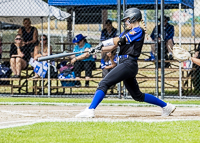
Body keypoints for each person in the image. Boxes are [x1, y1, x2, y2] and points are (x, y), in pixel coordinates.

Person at [76, 7, 176, 118]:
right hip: (125, 64)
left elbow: (120, 40)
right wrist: (96, 49)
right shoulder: (127, 32)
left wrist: (103, 43)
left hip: (128, 63)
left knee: (104, 83)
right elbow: (113, 46)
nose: (126, 22)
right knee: (137, 96)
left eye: (127, 19)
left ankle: (90, 110)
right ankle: (167, 106)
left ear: (134, 18)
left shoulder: (138, 30)